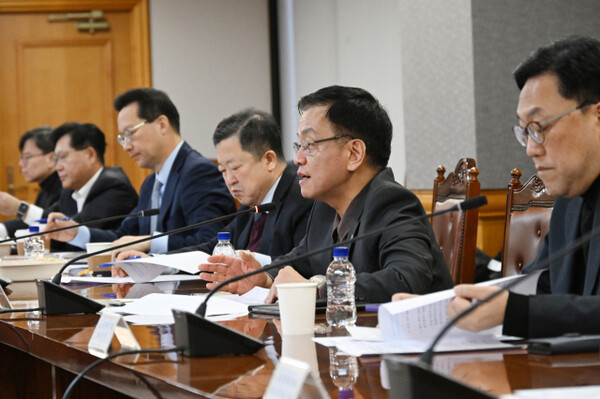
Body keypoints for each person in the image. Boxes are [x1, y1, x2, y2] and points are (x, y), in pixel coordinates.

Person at [199, 85, 453, 304]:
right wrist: (262, 276)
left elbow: (405, 280)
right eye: (299, 146)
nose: (297, 159)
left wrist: (317, 290)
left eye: (310, 145)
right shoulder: (325, 207)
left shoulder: (391, 203)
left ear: (354, 154)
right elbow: (299, 259)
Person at [447, 36, 600, 338]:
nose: (531, 149)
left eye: (539, 127)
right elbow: (539, 286)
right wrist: (439, 309)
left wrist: (516, 312)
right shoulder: (570, 199)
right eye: (525, 131)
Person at [113, 108, 314, 276]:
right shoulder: (251, 203)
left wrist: (242, 261)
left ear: (268, 160)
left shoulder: (303, 196)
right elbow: (213, 247)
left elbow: (303, 265)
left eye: (235, 168)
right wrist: (157, 263)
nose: (229, 180)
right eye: (223, 171)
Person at [47, 88, 236, 254]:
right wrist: (77, 232)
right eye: (122, 138)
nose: (126, 146)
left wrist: (150, 242)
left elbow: (213, 242)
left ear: (162, 124)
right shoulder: (150, 184)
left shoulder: (198, 172)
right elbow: (124, 236)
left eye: (130, 133)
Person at [0, 126, 61, 238]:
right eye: (21, 158)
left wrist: (18, 207)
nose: (21, 164)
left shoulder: (65, 184)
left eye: (27, 157)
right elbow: (33, 223)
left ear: (51, 158)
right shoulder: (45, 188)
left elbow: (56, 223)